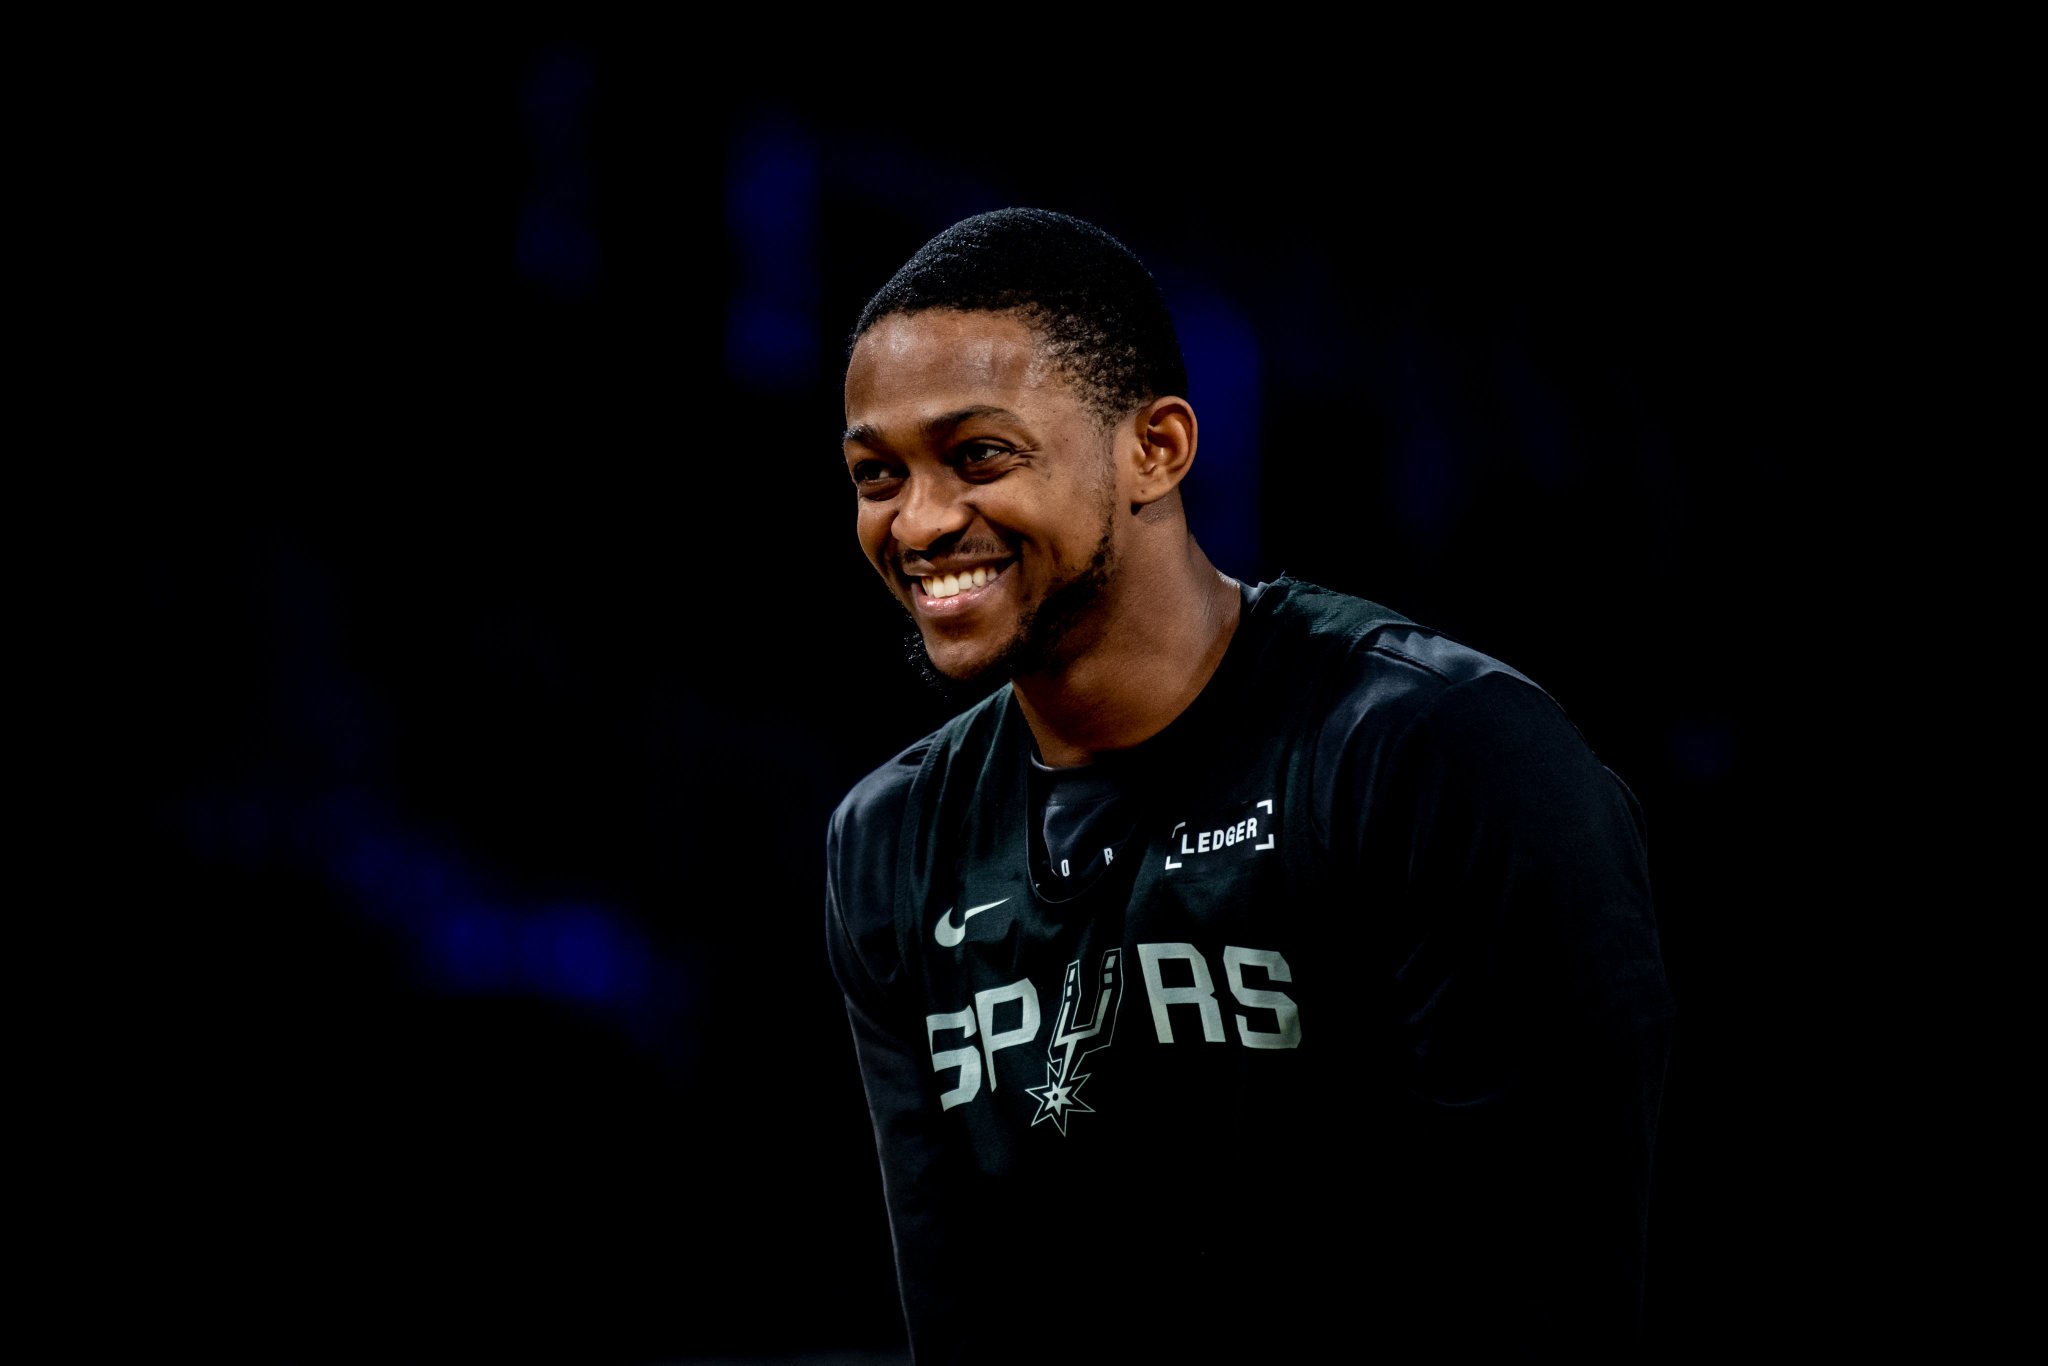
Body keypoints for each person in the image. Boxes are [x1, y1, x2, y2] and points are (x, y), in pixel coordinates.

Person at [825, 208, 1675, 1359]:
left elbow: (1554, 1304)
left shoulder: (1435, 754)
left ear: (1156, 447)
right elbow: (963, 1329)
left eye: (979, 455)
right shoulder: (888, 839)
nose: (919, 522)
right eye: (878, 474)